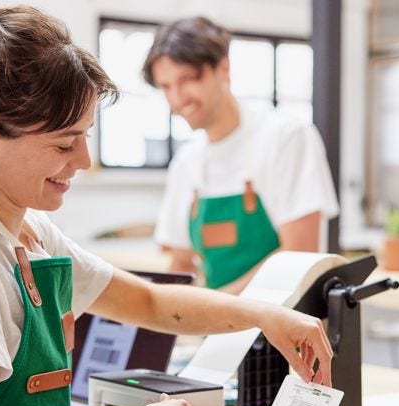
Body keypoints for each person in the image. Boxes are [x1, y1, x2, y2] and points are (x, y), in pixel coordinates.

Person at [0, 2, 334, 406]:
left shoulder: (31, 232)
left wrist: (264, 315)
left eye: (86, 136)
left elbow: (150, 301)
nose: (84, 161)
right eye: (63, 145)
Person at [144, 17, 340, 294]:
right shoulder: (186, 163)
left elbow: (299, 254)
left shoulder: (286, 138)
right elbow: (181, 264)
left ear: (223, 69)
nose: (177, 98)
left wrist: (218, 307)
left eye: (187, 79)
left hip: (282, 331)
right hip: (214, 331)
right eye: (166, 86)